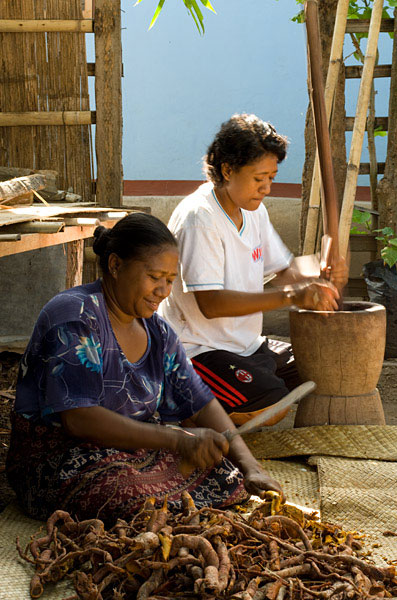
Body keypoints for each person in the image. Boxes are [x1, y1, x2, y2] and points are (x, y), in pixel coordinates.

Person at [6, 212, 286, 526]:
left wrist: (250, 467)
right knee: (127, 493)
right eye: (154, 277)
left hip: (130, 453)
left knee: (226, 475)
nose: (164, 291)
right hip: (59, 460)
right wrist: (178, 439)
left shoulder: (159, 333)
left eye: (170, 280)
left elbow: (199, 401)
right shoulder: (76, 315)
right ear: (115, 265)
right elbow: (79, 419)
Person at [160, 113, 348, 426]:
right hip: (197, 351)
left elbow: (285, 269)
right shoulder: (200, 218)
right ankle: (185, 414)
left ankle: (248, 388)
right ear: (227, 170)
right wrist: (291, 296)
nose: (266, 188)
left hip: (247, 346)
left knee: (328, 364)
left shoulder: (253, 210)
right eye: (258, 178)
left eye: (271, 178)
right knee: (269, 405)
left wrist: (320, 268)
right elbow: (211, 303)